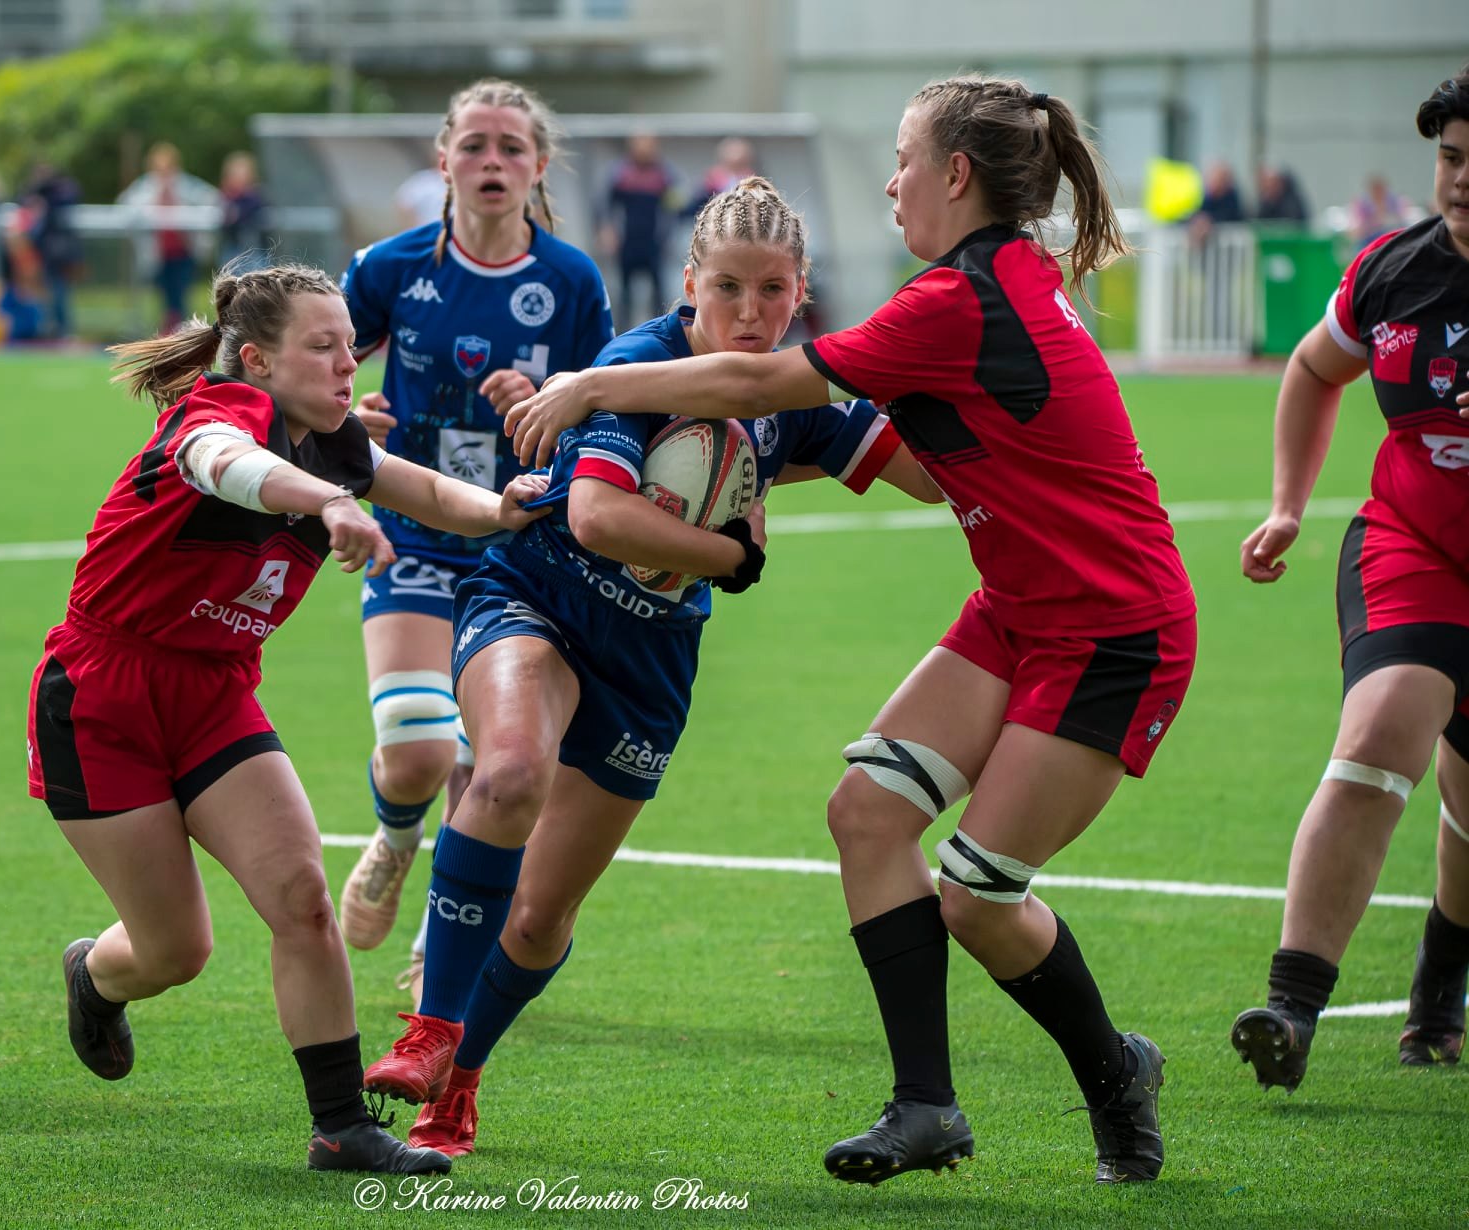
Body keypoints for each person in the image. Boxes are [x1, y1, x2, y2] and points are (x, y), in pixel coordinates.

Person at [506, 75, 1198, 1186]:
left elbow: (766, 380)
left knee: (975, 894)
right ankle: (926, 1105)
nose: (892, 182)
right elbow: (905, 455)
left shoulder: (960, 300)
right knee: (868, 812)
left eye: (905, 160)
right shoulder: (988, 280)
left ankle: (1117, 1075)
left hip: (1113, 627)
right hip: (1023, 609)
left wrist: (596, 386)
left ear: (956, 176)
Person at [364, 176, 940, 1157]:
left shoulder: (795, 390)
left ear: (802, 289)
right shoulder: (641, 362)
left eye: (771, 292)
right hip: (538, 600)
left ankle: (460, 1079)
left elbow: (928, 478)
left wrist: (947, 391)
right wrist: (737, 556)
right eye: (727, 289)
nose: (749, 316)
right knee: (506, 772)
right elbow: (596, 517)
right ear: (688, 282)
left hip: (649, 663)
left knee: (542, 920)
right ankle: (429, 1031)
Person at [29, 262, 546, 1175]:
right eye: (324, 346)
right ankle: (95, 975)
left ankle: (340, 1126)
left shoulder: (337, 444)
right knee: (176, 950)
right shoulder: (213, 420)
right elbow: (231, 469)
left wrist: (503, 508)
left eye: (352, 344)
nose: (349, 364)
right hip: (102, 695)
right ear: (259, 360)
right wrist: (328, 500)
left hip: (215, 693)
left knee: (303, 899)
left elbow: (428, 493)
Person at [334, 78, 614, 1000]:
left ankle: (432, 944)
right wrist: (351, 413)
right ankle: (393, 836)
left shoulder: (571, 281)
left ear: (538, 168)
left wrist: (544, 413)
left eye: (511, 148)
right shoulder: (387, 267)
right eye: (476, 146)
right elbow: (315, 377)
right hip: (413, 531)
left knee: (480, 765)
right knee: (416, 753)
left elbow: (606, 420)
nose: (492, 163)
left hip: (517, 552)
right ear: (443, 158)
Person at [1230, 64, 1469, 1089]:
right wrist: (1288, 501)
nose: (1460, 180)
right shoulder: (1391, 270)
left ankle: (1435, 987)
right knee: (1379, 737)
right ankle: (1291, 1008)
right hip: (1411, 549)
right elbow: (1312, 368)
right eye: (1452, 159)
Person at [117, 142, 219, 334]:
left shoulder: (187, 185)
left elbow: (212, 198)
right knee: (163, 293)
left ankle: (182, 332)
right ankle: (168, 329)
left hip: (182, 250)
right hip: (157, 253)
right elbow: (126, 204)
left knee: (179, 292)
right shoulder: (145, 187)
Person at [602, 131, 681, 325]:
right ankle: (622, 332)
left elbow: (675, 207)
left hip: (654, 242)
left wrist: (669, 236)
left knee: (658, 293)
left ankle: (661, 330)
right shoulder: (622, 174)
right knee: (624, 293)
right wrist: (608, 230)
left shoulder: (663, 175)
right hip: (627, 241)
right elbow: (605, 205)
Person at [21, 163, 81, 339]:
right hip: (39, 251)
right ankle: (44, 327)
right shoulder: (34, 192)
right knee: (40, 292)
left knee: (59, 291)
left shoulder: (61, 190)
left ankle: (62, 328)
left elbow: (71, 197)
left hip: (58, 253)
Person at [217, 152, 272, 274]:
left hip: (255, 250)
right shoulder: (226, 197)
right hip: (233, 248)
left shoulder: (256, 196)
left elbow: (247, 212)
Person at [1350, 175, 1414, 251]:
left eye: (1380, 189)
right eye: (1375, 189)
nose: (1378, 192)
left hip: (1390, 237)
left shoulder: (1394, 201)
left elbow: (1401, 219)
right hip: (1368, 239)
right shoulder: (1362, 204)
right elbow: (1358, 229)